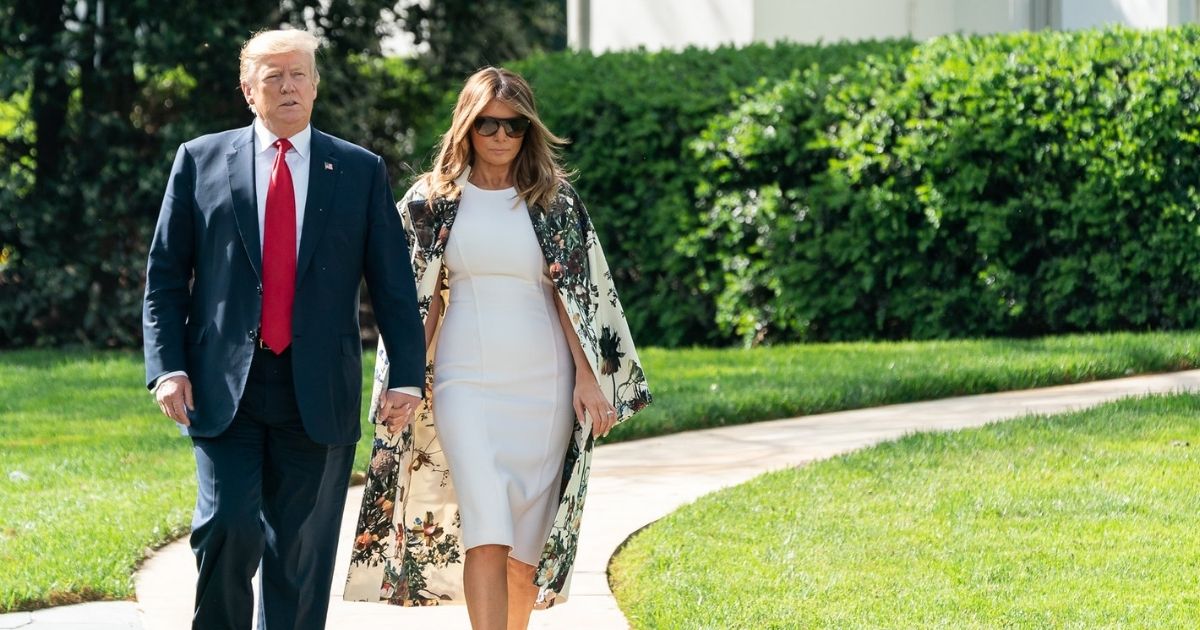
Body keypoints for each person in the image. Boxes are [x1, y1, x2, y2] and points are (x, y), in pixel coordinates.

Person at [343, 67, 653, 629]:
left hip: (544, 384)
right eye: (487, 124)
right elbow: (419, 299)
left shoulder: (555, 202)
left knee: (524, 552)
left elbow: (575, 297)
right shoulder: (431, 202)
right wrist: (406, 380)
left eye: (513, 125)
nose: (500, 135)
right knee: (486, 529)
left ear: (529, 130)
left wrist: (588, 378)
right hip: (463, 380)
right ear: (466, 126)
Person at [142, 29, 425, 630]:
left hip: (317, 387)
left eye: (299, 74)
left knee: (298, 551)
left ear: (316, 85)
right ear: (249, 91)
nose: (289, 86)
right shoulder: (199, 160)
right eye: (274, 76)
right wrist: (167, 367)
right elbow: (165, 277)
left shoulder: (358, 170)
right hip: (224, 385)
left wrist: (406, 375)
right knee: (229, 526)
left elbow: (394, 285)